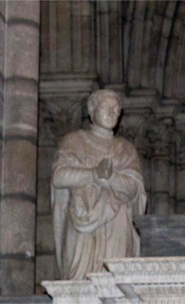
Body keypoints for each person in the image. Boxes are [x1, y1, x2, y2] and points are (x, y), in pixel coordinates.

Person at [52, 89, 146, 279]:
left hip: (116, 222)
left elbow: (135, 189)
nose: (113, 113)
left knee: (114, 283)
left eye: (117, 110)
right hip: (81, 218)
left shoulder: (125, 149)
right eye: (107, 107)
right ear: (92, 110)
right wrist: (94, 175)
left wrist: (111, 177)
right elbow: (59, 177)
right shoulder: (74, 141)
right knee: (78, 282)